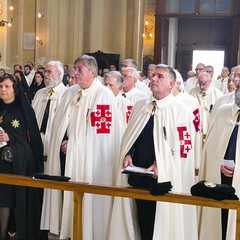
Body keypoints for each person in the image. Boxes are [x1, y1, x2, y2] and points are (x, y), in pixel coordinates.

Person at [108, 64, 198, 240]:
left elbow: (184, 147)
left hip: (163, 179)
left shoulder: (181, 110)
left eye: (160, 76)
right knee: (141, 221)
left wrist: (162, 165)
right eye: (153, 75)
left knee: (161, 224)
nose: (154, 79)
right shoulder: (141, 105)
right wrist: (128, 154)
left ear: (172, 84)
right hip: (138, 175)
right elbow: (131, 136)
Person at [40, 55, 121, 240]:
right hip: (62, 156)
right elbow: (58, 124)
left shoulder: (103, 94)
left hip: (86, 161)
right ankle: (62, 229)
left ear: (92, 72)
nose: (74, 73)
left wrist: (74, 144)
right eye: (74, 69)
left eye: (79, 69)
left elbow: (101, 137)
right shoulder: (70, 92)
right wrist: (59, 141)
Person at [198, 65, 240, 240]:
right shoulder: (223, 112)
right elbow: (211, 150)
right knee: (218, 224)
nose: (236, 83)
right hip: (219, 180)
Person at [0, 73, 44, 240]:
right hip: (1, 165)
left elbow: (29, 140)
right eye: (1, 86)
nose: (3, 90)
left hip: (17, 164)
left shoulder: (23, 110)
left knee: (14, 198)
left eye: (7, 86)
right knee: (2, 199)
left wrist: (10, 137)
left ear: (15, 90)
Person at [32, 61, 67, 163]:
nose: (46, 75)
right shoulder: (39, 93)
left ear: (59, 73)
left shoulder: (66, 94)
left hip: (55, 145)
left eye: (49, 72)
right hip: (37, 141)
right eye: (45, 72)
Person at [189, 71, 223, 141]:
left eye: (204, 84)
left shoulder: (218, 94)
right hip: (196, 131)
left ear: (210, 81)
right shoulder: (192, 92)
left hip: (211, 130)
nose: (201, 86)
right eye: (200, 83)